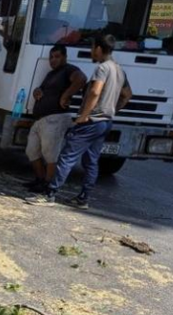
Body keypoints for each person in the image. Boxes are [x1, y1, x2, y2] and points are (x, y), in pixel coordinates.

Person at [27, 34, 132, 208]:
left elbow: (95, 92)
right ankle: (83, 198)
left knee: (67, 157)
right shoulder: (120, 70)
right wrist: (111, 109)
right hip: (105, 121)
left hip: (91, 121)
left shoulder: (103, 68)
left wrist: (84, 116)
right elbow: (127, 95)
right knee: (91, 161)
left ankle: (49, 194)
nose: (91, 52)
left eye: (92, 48)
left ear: (98, 48)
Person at [24, 45, 87, 193]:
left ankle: (48, 185)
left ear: (64, 57)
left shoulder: (68, 70)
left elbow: (81, 79)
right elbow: (42, 89)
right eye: (51, 57)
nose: (53, 60)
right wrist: (37, 91)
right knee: (31, 150)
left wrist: (66, 96)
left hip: (55, 118)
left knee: (50, 153)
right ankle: (40, 180)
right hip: (40, 119)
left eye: (57, 56)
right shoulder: (51, 74)